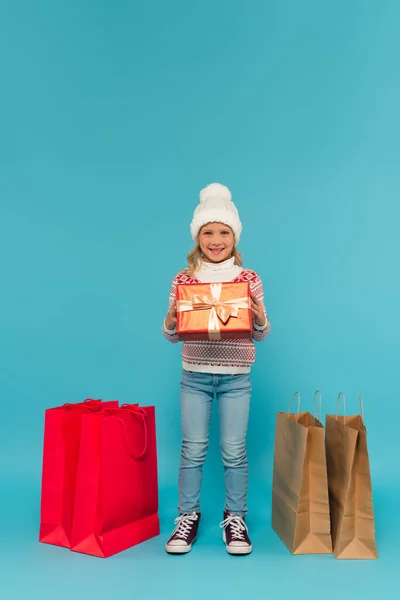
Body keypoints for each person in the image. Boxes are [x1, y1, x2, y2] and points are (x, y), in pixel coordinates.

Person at [163, 183, 270, 555]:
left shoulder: (248, 278)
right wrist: (170, 320)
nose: (216, 239)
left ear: (234, 237)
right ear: (198, 237)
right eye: (208, 232)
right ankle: (187, 516)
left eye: (224, 232)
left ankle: (235, 517)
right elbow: (173, 336)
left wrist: (257, 319)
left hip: (236, 378)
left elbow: (261, 333)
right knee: (192, 449)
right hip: (194, 375)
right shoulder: (184, 280)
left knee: (234, 450)